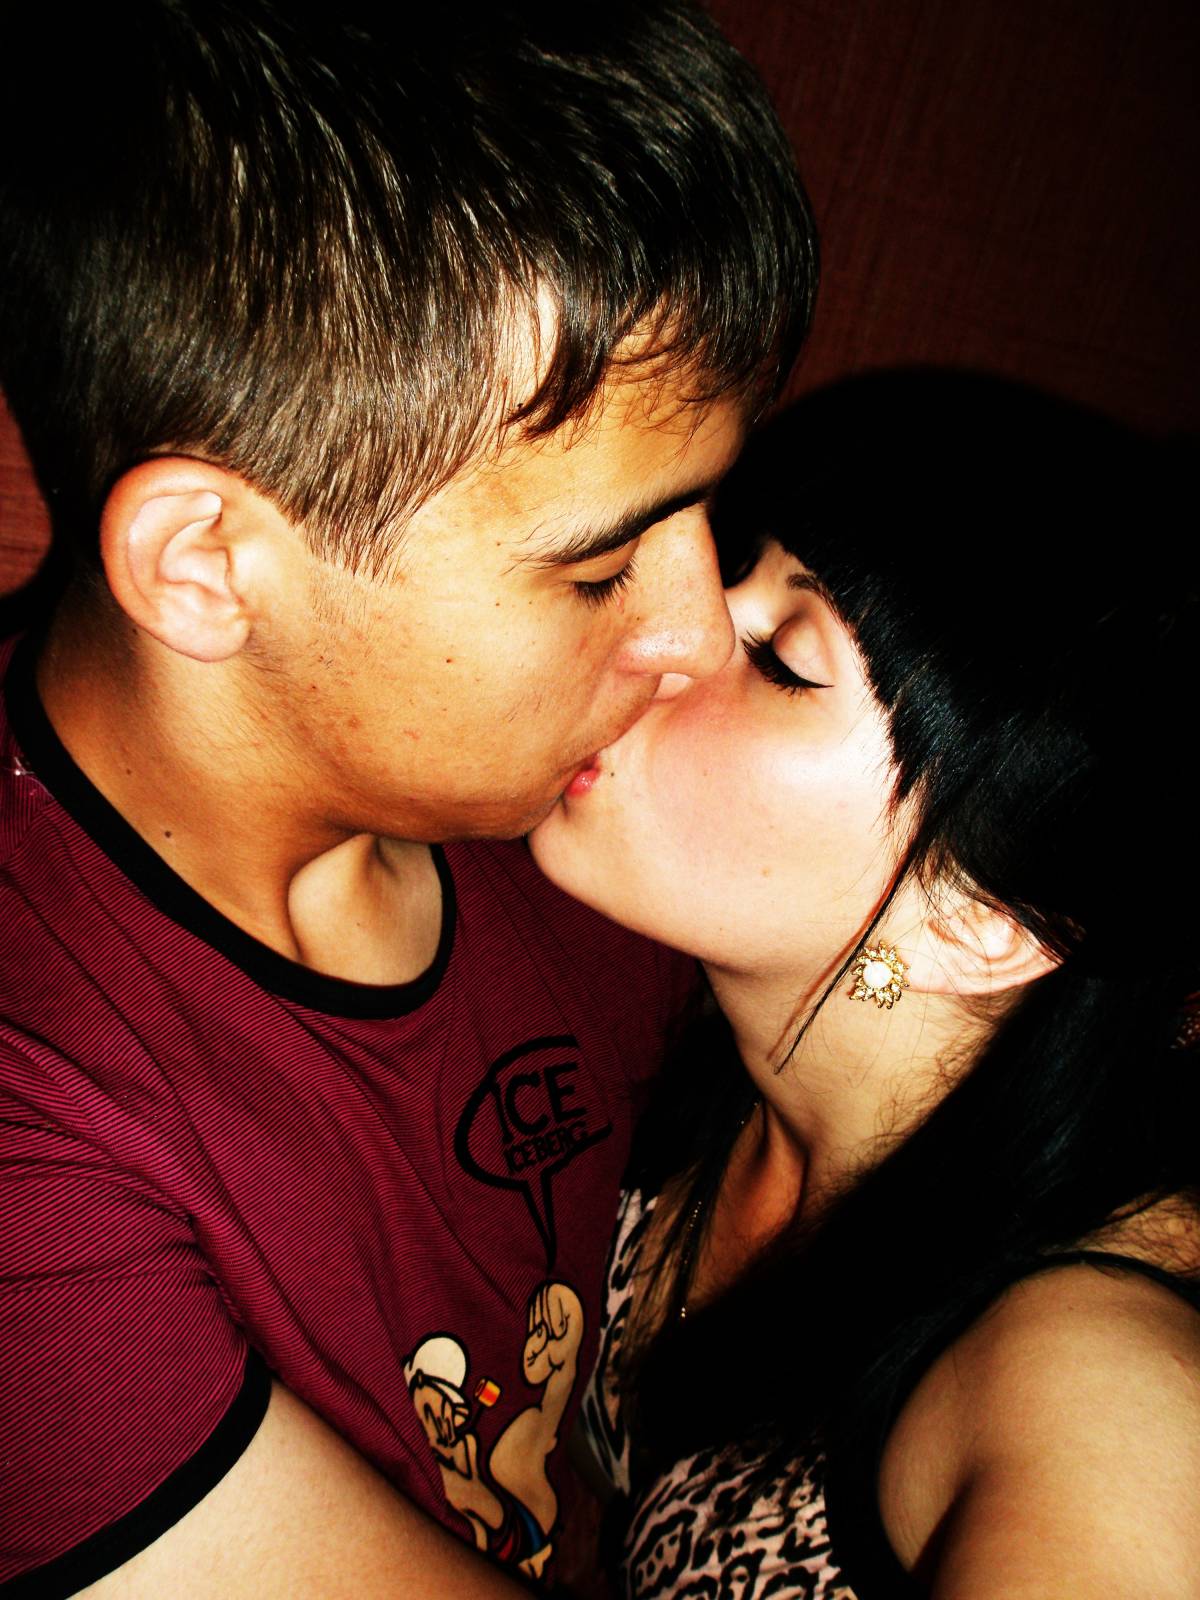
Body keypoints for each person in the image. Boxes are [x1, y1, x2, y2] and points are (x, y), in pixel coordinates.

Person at [0, 2, 817, 1592]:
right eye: (600, 566)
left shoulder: (590, 825)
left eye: (707, 517)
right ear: (208, 567)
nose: (703, 634)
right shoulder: (37, 1115)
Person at [530, 370, 1200, 1598]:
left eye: (782, 660)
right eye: (729, 572)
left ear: (981, 921)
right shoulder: (661, 1015)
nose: (663, 635)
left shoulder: (1092, 1354)